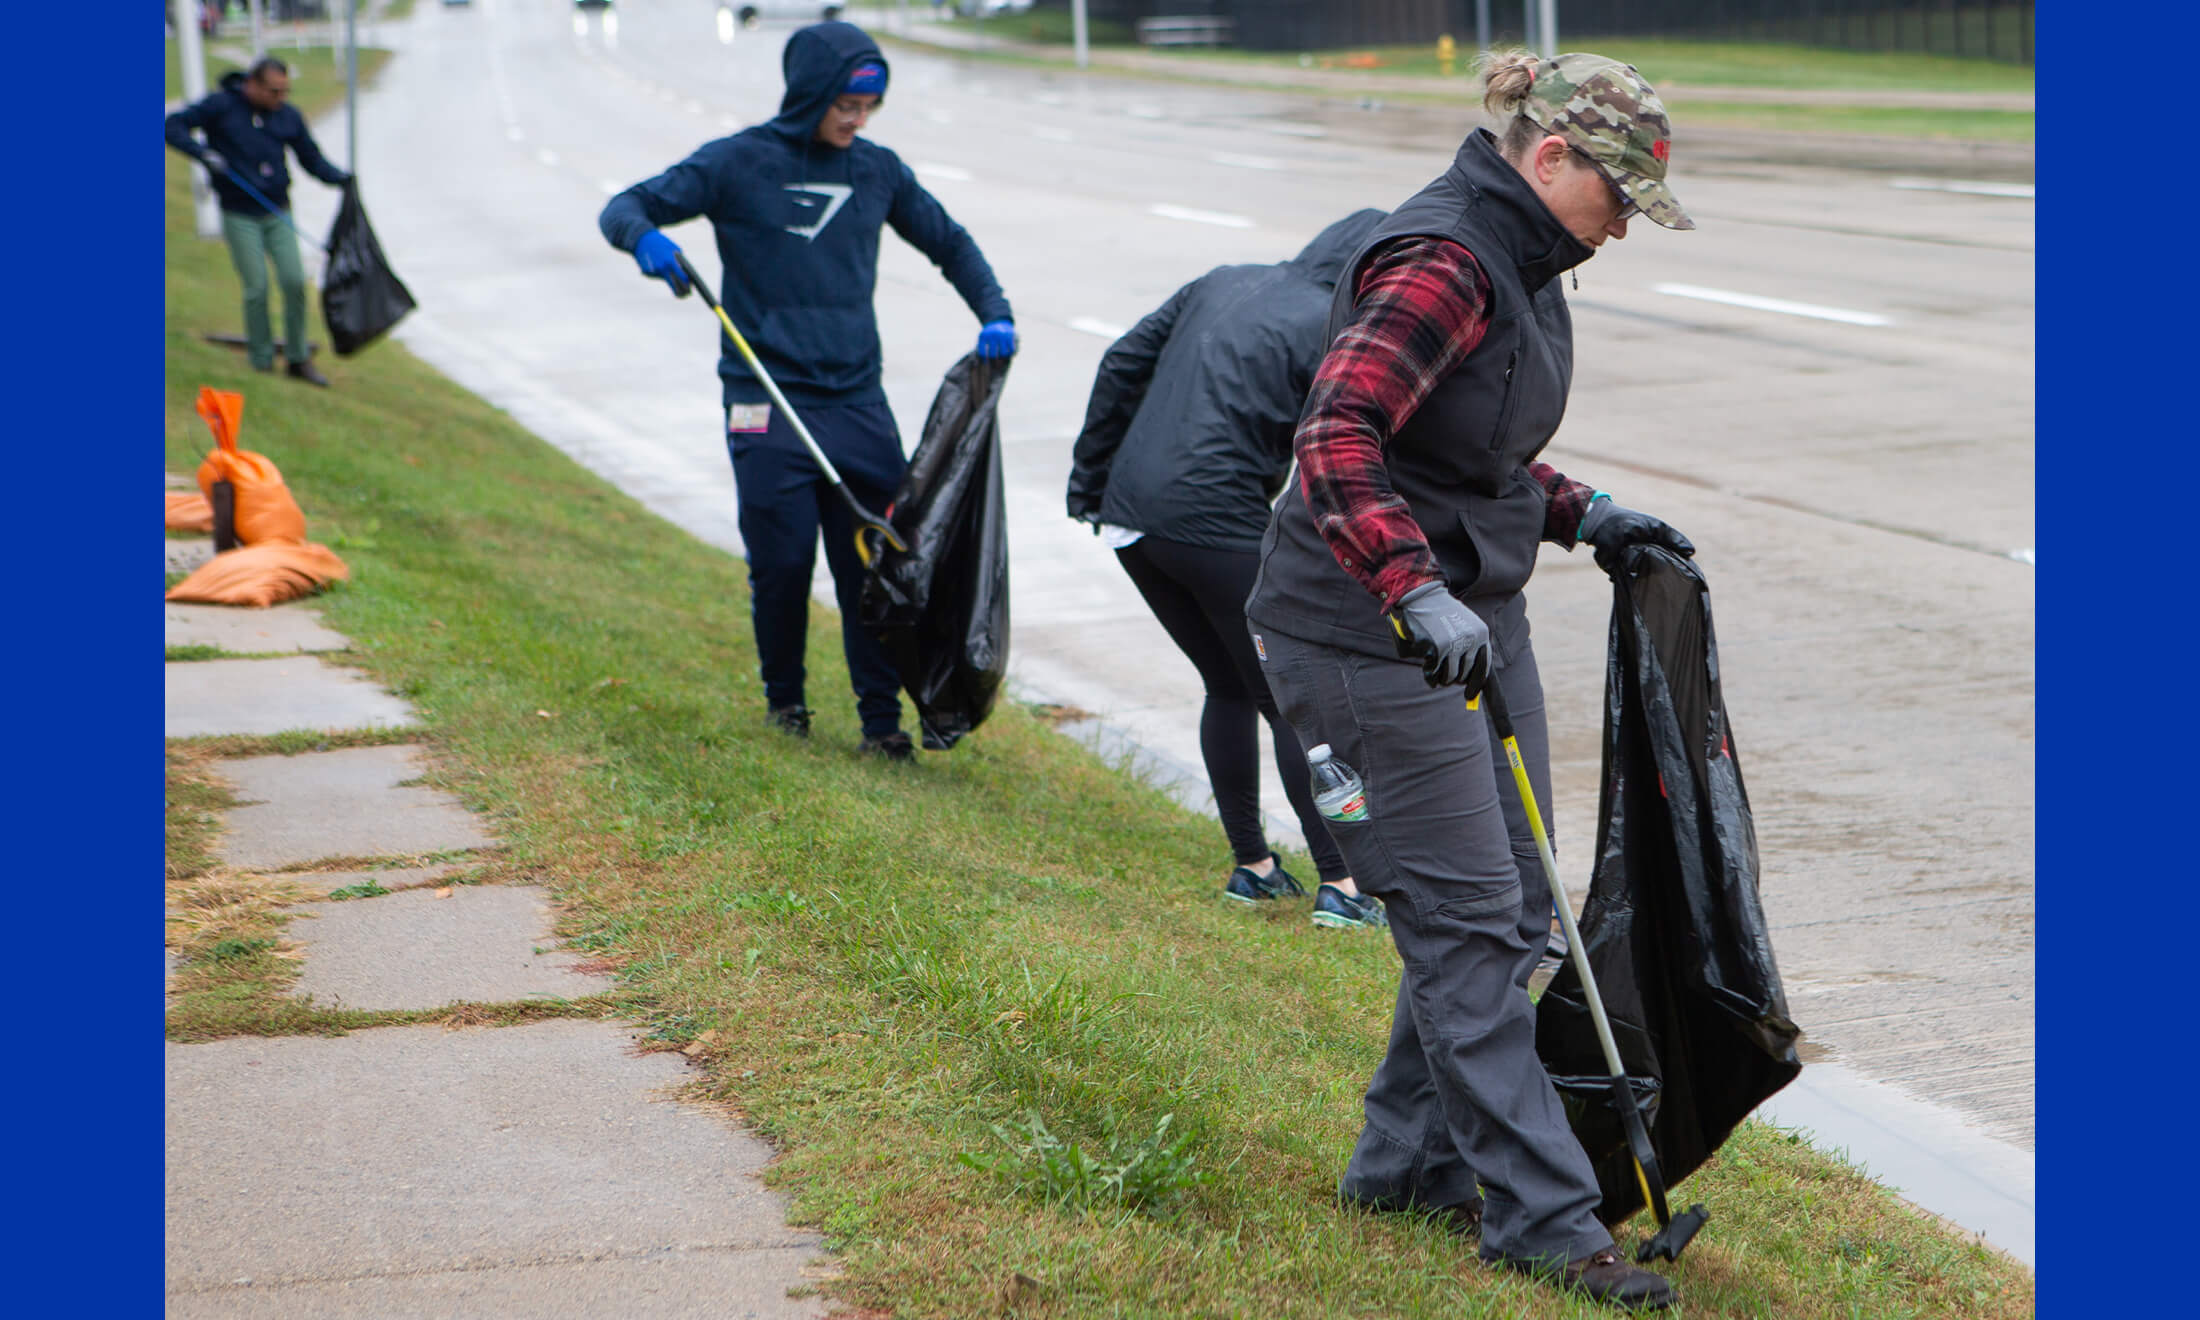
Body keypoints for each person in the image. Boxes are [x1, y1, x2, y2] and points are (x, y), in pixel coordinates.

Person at [1243, 52, 1699, 1311]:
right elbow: (1336, 435)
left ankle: (1400, 1171)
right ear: (1549, 157)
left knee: (1514, 918)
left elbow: (1473, 454)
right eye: (1617, 200)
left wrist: (1584, 512)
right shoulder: (1445, 257)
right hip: (1358, 630)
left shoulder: (1533, 262)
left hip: (1466, 618)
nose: (1620, 233)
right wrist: (1407, 584)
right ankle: (1545, 1224)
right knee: (1464, 927)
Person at [599, 21, 1015, 763]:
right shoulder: (736, 163)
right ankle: (785, 704)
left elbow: (949, 243)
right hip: (765, 399)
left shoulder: (878, 171)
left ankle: (881, 725)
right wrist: (647, 241)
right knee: (784, 563)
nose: (857, 122)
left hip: (855, 401)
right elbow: (624, 206)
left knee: (873, 566)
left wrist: (996, 311)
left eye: (870, 108)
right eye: (846, 106)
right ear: (811, 93)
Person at [1066, 209, 1389, 929]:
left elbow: (1121, 361)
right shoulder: (1335, 328)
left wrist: (1089, 483)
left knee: (1229, 686)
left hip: (1132, 523)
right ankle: (1341, 885)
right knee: (1292, 703)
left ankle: (1254, 868)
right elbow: (1337, 452)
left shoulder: (1222, 279)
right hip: (1214, 528)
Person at [165, 56, 349, 387]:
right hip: (239, 213)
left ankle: (297, 358)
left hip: (277, 211)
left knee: (294, 281)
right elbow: (172, 126)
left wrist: (341, 179)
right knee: (257, 285)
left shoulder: (286, 116)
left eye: (285, 92)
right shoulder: (221, 106)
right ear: (252, 83)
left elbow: (311, 159)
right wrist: (203, 155)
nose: (280, 99)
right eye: (274, 92)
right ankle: (262, 359)